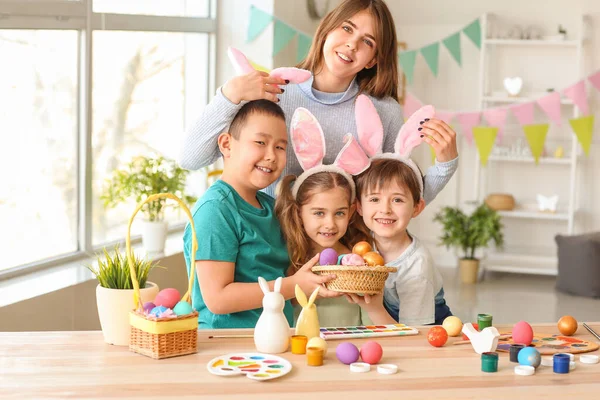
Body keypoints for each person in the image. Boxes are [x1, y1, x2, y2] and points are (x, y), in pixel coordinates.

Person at [179, 0, 458, 203]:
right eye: (347, 29)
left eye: (367, 42)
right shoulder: (272, 91)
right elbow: (190, 158)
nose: (352, 44)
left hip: (338, 261)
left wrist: (446, 164)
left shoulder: (383, 112)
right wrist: (229, 95)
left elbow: (402, 203)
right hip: (262, 249)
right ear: (326, 30)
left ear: (374, 59)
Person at [182, 100, 338, 329]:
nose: (271, 155)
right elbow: (218, 299)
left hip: (276, 337)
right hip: (229, 344)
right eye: (260, 142)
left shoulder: (273, 207)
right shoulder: (216, 211)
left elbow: (282, 277)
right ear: (227, 144)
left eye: (280, 147)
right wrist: (293, 284)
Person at [347, 157, 453, 326]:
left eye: (397, 200)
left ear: (416, 207)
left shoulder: (417, 266)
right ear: (359, 206)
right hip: (388, 326)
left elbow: (413, 337)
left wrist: (374, 309)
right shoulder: (364, 243)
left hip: (424, 334)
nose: (385, 210)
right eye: (374, 199)